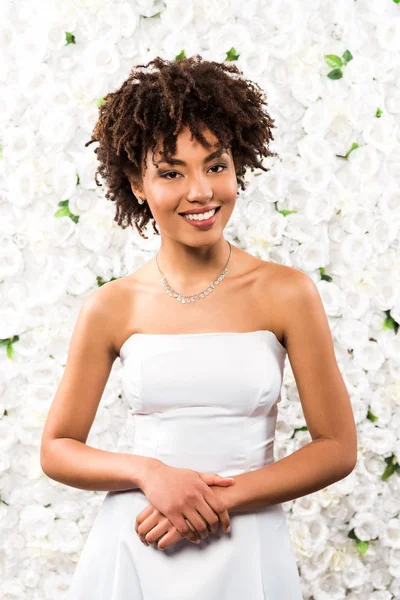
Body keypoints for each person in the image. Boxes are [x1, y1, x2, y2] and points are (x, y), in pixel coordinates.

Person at [40, 55, 357, 599]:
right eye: (171, 172)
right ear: (137, 184)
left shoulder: (288, 292)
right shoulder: (111, 306)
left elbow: (336, 447)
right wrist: (149, 474)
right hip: (139, 541)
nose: (201, 191)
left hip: (248, 540)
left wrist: (218, 500)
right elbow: (58, 447)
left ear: (238, 168)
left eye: (216, 166)